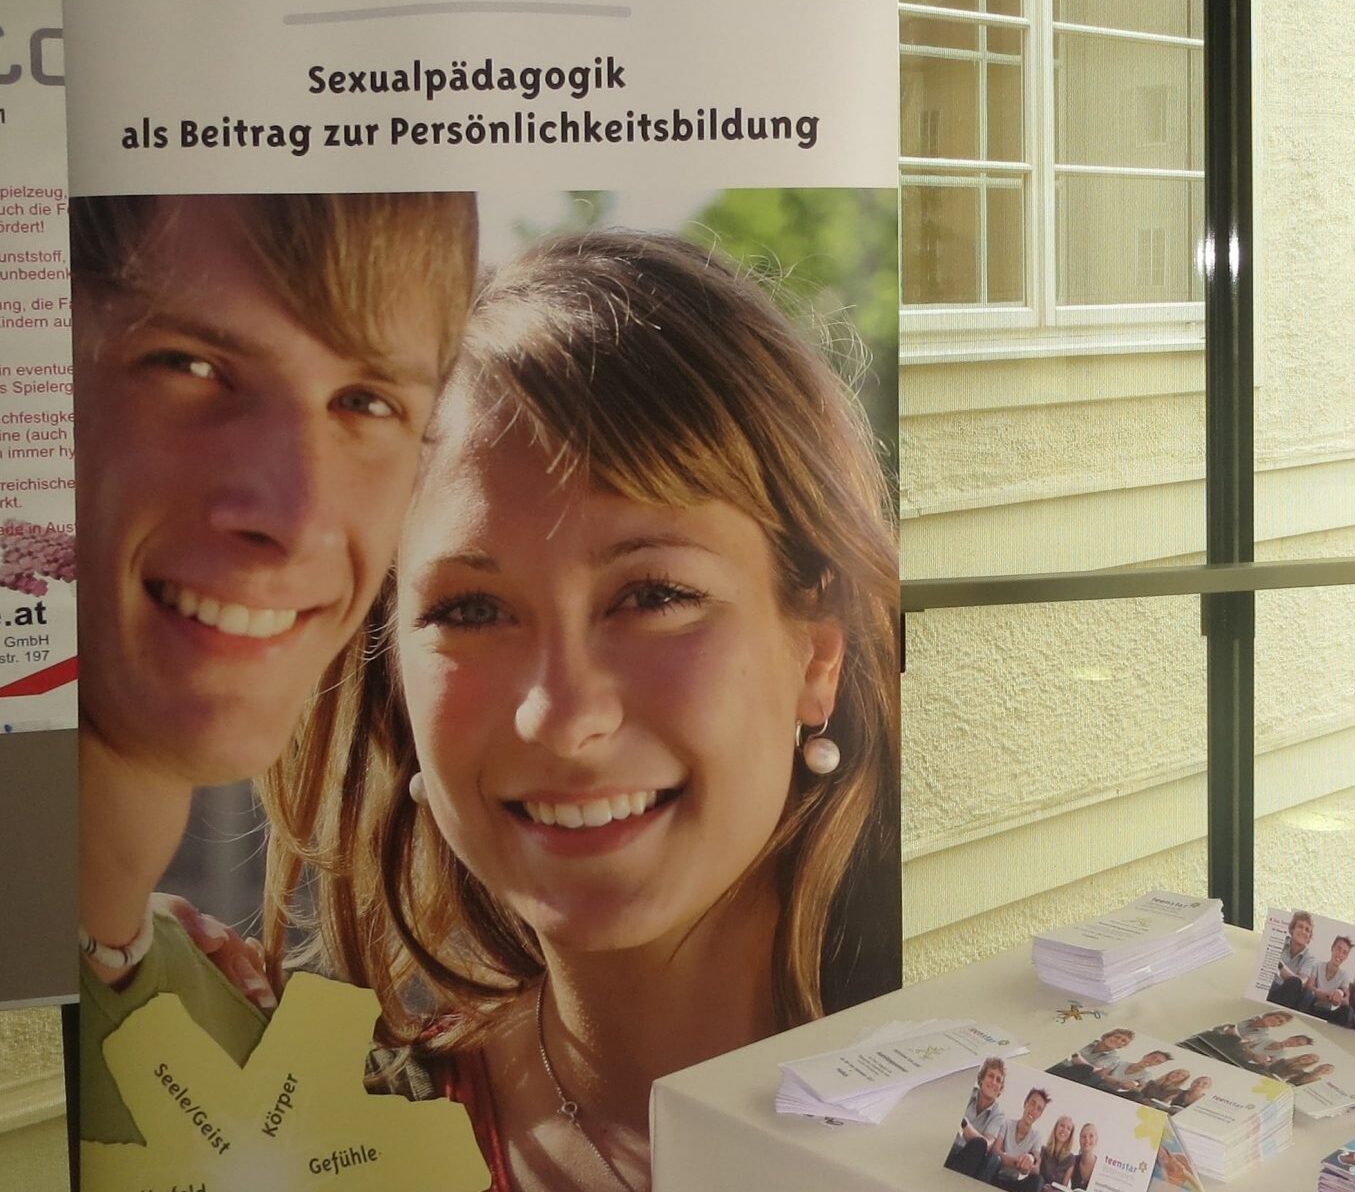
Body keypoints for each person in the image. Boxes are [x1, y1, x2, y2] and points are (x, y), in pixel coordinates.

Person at [267, 230, 902, 1191]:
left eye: (652, 596)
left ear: (817, 652)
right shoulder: (329, 1149)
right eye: (471, 611)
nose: (560, 719)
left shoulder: (999, 1106)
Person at [70, 193, 479, 1145]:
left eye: (367, 401)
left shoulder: (187, 1000)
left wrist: (141, 960)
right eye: (188, 365)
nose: (294, 514)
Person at [949, 1057, 1012, 1179]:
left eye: (998, 1080)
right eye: (990, 1076)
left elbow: (986, 1144)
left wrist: (964, 1123)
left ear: (1000, 1088)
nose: (993, 1082)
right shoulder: (965, 1092)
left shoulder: (998, 1115)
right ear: (982, 1078)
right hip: (946, 1146)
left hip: (967, 1158)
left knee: (979, 1145)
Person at [992, 1089, 1052, 1191]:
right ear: (1025, 1103)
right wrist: (1019, 1163)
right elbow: (995, 1151)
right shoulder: (1007, 1124)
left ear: (1040, 1114)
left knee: (1038, 1180)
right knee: (991, 1160)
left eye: (1038, 1109)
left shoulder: (1036, 1136)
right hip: (996, 1175)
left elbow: (1036, 1167)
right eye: (1032, 1104)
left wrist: (1030, 1161)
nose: (1034, 1110)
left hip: (1016, 1183)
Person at [1269, 910, 1322, 1009]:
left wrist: (1280, 966)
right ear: (1292, 929)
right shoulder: (1279, 941)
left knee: (1295, 984)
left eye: (1307, 930)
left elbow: (1301, 982)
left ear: (1309, 937)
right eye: (1300, 926)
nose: (1303, 931)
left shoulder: (1309, 958)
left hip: (1288, 994)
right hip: (1269, 988)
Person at [1307, 935, 1355, 1025]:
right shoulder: (1317, 965)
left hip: (1329, 1012)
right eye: (1338, 949)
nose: (1340, 954)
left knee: (1347, 1010)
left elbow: (1346, 999)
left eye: (1344, 952)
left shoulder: (1344, 975)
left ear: (1346, 956)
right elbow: (1309, 986)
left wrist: (1337, 998)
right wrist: (1320, 992)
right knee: (1307, 996)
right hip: (1313, 1006)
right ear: (1332, 948)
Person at [1038, 1115, 1079, 1189]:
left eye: (1068, 1129)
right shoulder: (1043, 1151)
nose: (1064, 1130)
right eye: (1062, 1126)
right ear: (1056, 1128)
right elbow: (1035, 1177)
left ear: (1070, 1134)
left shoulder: (1071, 1159)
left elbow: (1063, 1187)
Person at [1070, 1123, 1100, 1190]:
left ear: (1096, 1140)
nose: (1087, 1139)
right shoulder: (1072, 1160)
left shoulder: (1100, 1166)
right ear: (1079, 1140)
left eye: (1091, 1136)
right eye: (1083, 1136)